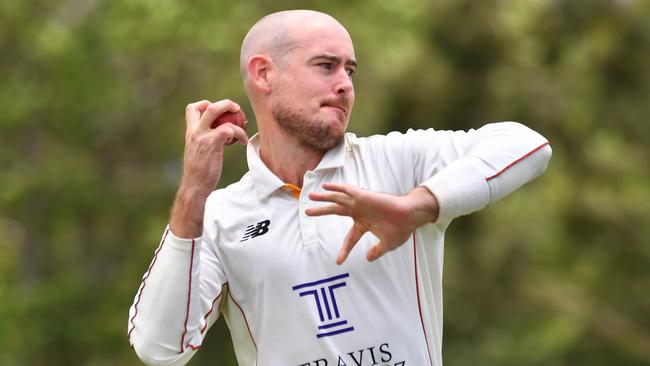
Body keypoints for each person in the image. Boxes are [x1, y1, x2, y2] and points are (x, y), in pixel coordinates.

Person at [127, 9, 552, 366]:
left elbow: (528, 145)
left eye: (349, 69)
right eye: (325, 66)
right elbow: (160, 349)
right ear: (263, 74)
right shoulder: (219, 215)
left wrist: (417, 206)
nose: (345, 83)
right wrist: (193, 193)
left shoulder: (398, 162)